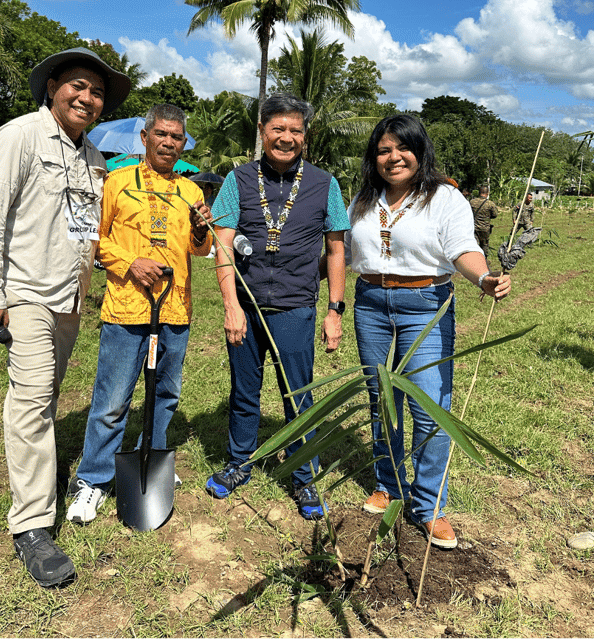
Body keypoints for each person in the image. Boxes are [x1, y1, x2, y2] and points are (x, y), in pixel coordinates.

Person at [0, 47, 131, 587]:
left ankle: (34, 485)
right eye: (78, 86)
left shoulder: (95, 162)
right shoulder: (17, 137)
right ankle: (32, 526)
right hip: (26, 292)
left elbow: (89, 233)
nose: (87, 98)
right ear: (53, 86)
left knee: (45, 396)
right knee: (34, 398)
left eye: (98, 92)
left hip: (70, 300)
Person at [345, 114, 511, 549]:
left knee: (429, 405)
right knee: (383, 400)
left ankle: (430, 505)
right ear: (374, 157)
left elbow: (463, 248)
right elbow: (342, 250)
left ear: (419, 151)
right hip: (370, 304)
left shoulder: (444, 198)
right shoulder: (364, 198)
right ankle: (389, 486)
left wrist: (483, 279)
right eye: (383, 150)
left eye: (402, 148)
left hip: (426, 306)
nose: (393, 157)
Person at [206, 92, 349, 520]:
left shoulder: (325, 184)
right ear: (262, 131)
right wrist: (231, 305)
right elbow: (223, 245)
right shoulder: (239, 180)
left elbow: (337, 250)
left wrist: (334, 310)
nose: (286, 138)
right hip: (247, 306)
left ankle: (304, 477)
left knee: (298, 396)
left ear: (305, 136)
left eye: (295, 130)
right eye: (278, 129)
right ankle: (239, 463)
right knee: (244, 391)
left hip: (295, 308)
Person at [66, 104, 211, 524]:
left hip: (175, 306)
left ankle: (153, 461)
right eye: (161, 135)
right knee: (113, 399)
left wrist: (200, 229)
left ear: (183, 143)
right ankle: (93, 480)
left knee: (165, 393)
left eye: (176, 137)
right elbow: (95, 238)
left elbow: (199, 249)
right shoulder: (116, 182)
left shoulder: (191, 191)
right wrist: (131, 263)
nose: (169, 142)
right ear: (145, 138)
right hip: (128, 307)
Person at [469, 185, 499, 258]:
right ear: (487, 193)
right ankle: (483, 259)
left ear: (479, 192)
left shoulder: (472, 202)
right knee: (484, 244)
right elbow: (495, 215)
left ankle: (473, 259)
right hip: (484, 228)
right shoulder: (490, 204)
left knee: (474, 244)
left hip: (474, 227)